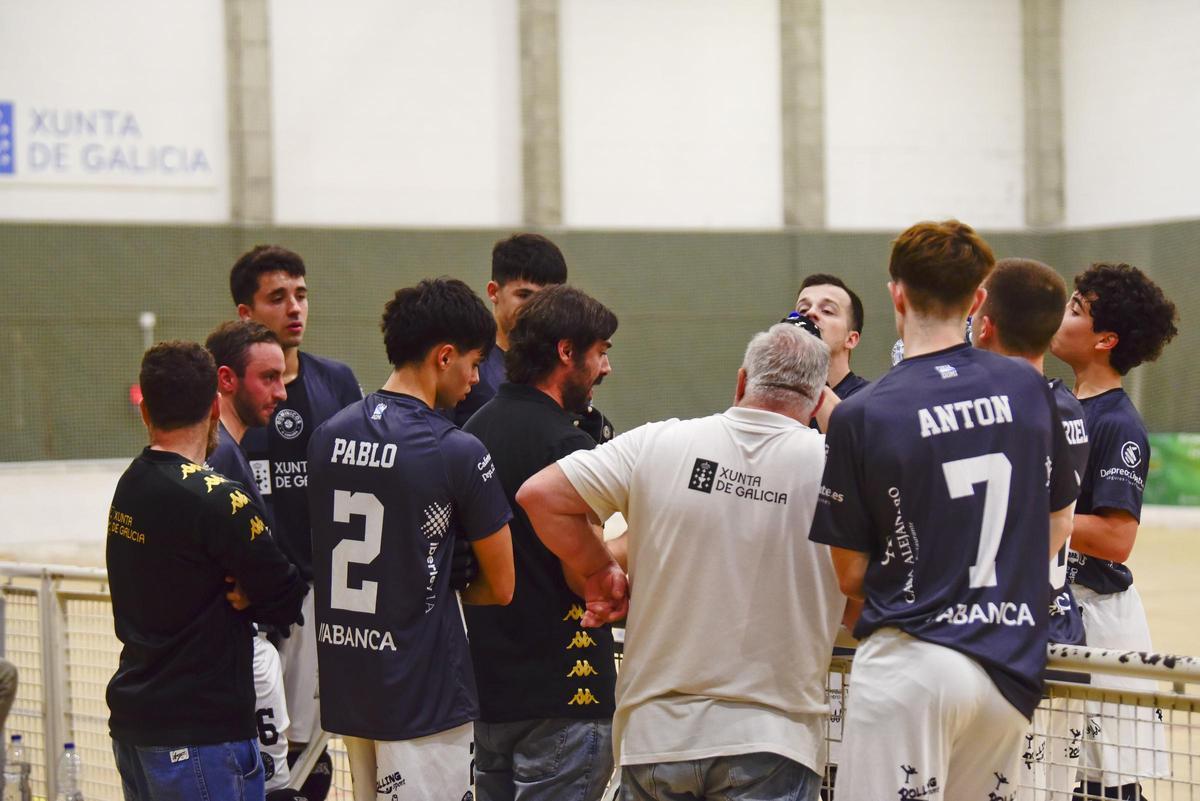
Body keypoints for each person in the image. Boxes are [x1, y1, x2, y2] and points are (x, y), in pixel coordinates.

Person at [808, 220, 1078, 801]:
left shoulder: (862, 413)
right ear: (977, 300)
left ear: (896, 295)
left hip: (912, 664)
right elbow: (1060, 521)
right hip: (1010, 670)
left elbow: (850, 575)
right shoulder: (1030, 388)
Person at [517, 322, 840, 801]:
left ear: (741, 382)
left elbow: (540, 495)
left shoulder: (660, 442)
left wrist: (598, 569)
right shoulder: (836, 466)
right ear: (815, 405)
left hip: (656, 737)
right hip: (774, 742)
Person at [307, 278, 516, 800]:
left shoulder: (327, 436)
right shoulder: (457, 450)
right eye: (474, 362)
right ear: (444, 356)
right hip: (424, 694)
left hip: (350, 685)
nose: (476, 378)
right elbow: (502, 585)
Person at [106, 341, 307, 801]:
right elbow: (287, 595)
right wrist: (253, 594)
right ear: (216, 406)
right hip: (200, 735)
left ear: (145, 411)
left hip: (137, 724)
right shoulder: (221, 498)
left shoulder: (131, 482)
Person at [462, 285, 618, 801]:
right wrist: (639, 536)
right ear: (566, 352)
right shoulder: (568, 444)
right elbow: (582, 575)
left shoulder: (473, 431)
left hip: (489, 692)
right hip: (562, 695)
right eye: (600, 353)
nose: (606, 369)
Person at [1050, 262, 1178, 800]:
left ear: (1105, 340)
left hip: (1098, 619)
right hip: (1056, 610)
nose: (1061, 316)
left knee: (1106, 789)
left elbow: (1115, 538)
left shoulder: (1118, 423)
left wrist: (1027, 513)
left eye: (1075, 309)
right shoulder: (1057, 402)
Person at [231, 244, 362, 757]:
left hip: (321, 596)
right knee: (257, 752)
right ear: (246, 313)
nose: (294, 308)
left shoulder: (337, 382)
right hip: (248, 603)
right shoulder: (223, 393)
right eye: (278, 297)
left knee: (311, 752)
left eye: (301, 295)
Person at [973, 258, 1092, 800]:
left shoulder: (987, 410)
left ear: (985, 323)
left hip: (1004, 640)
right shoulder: (1065, 404)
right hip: (1060, 627)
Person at [204, 320, 303, 798]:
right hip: (236, 658)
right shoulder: (221, 457)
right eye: (268, 378)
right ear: (226, 379)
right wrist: (266, 591)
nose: (281, 392)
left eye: (281, 377)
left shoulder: (229, 450)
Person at [449, 233, 568, 427]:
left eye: (546, 299)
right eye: (524, 295)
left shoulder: (561, 364)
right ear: (493, 292)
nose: (535, 308)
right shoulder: (465, 360)